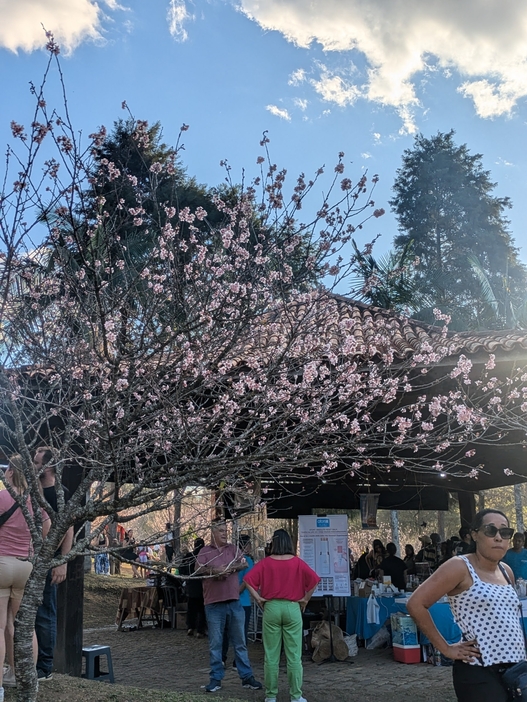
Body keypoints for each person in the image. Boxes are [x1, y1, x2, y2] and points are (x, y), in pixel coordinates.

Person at [407, 508, 524, 702]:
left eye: (504, 532)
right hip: (479, 669)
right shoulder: (460, 566)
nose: (498, 537)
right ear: (474, 535)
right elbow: (416, 604)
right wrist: (446, 649)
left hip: (515, 670)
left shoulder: (506, 571)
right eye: (490, 530)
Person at [244, 528, 319, 702]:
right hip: (293, 608)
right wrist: (305, 599)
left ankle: (271, 696)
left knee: (271, 655)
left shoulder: (265, 563)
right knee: (294, 656)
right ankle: (296, 696)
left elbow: (248, 580)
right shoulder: (298, 563)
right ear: (289, 543)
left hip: (271, 608)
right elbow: (314, 580)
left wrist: (258, 599)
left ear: (274, 543)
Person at [0, 455, 50, 697]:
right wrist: (35, 550)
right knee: (24, 625)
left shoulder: (1, 497)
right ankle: (24, 676)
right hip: (26, 566)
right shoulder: (35, 501)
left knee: (0, 627)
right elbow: (48, 525)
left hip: (1, 563)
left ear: (10, 472)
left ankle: (0, 683)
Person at [196, 520, 262, 693]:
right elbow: (198, 569)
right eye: (221, 531)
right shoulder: (204, 551)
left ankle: (247, 677)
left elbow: (244, 563)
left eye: (226, 530)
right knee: (215, 644)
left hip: (234, 603)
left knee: (240, 642)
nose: (225, 533)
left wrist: (229, 569)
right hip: (213, 604)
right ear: (212, 533)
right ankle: (216, 679)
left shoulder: (233, 549)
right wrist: (216, 570)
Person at [34, 446, 73, 683]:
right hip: (30, 558)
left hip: (50, 561)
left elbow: (69, 529)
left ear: (48, 466)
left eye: (37, 462)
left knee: (46, 612)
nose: (34, 465)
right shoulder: (33, 492)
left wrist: (62, 562)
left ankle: (45, 666)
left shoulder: (61, 493)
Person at [180, 537, 206, 638]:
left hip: (191, 586)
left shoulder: (189, 556)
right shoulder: (205, 556)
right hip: (203, 585)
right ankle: (200, 630)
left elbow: (181, 569)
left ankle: (190, 627)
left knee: (191, 609)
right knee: (202, 610)